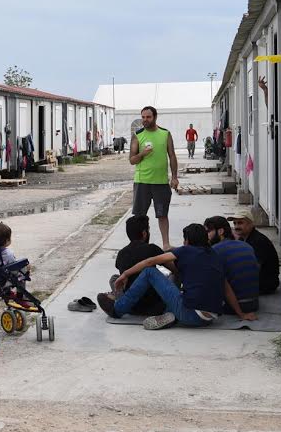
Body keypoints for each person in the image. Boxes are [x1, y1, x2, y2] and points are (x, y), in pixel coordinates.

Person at [97, 224, 256, 330]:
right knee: (176, 286)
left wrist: (125, 274)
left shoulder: (184, 251)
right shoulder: (214, 255)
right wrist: (241, 314)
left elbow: (150, 262)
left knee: (150, 272)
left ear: (187, 241)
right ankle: (170, 314)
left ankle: (117, 309)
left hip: (190, 314)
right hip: (210, 318)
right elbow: (226, 287)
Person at [130, 106, 179, 250]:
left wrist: (174, 177)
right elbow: (132, 160)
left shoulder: (165, 134)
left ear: (155, 117)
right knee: (139, 217)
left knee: (162, 214)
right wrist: (142, 154)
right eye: (143, 117)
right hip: (142, 182)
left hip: (161, 183)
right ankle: (140, 246)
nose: (145, 120)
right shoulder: (137, 136)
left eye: (148, 117)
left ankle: (166, 244)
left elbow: (172, 155)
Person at [113, 215, 167, 317]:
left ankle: (117, 298)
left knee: (115, 279)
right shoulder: (152, 249)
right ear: (144, 233)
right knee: (171, 277)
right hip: (155, 307)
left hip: (131, 307)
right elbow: (173, 267)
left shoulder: (121, 254)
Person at [208, 216, 260, 314]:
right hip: (254, 303)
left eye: (208, 232)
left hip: (232, 306)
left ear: (220, 231)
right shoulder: (246, 245)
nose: (206, 236)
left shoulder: (214, 250)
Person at [227, 208, 281, 294]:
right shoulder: (242, 238)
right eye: (235, 223)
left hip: (265, 284)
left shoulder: (258, 241)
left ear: (251, 224)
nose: (236, 227)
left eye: (240, 223)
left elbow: (254, 268)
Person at [0, 222, 35, 310]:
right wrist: (26, 267)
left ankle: (8, 293)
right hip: (4, 281)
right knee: (23, 271)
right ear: (6, 241)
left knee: (7, 271)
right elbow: (14, 267)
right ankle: (20, 296)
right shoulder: (8, 253)